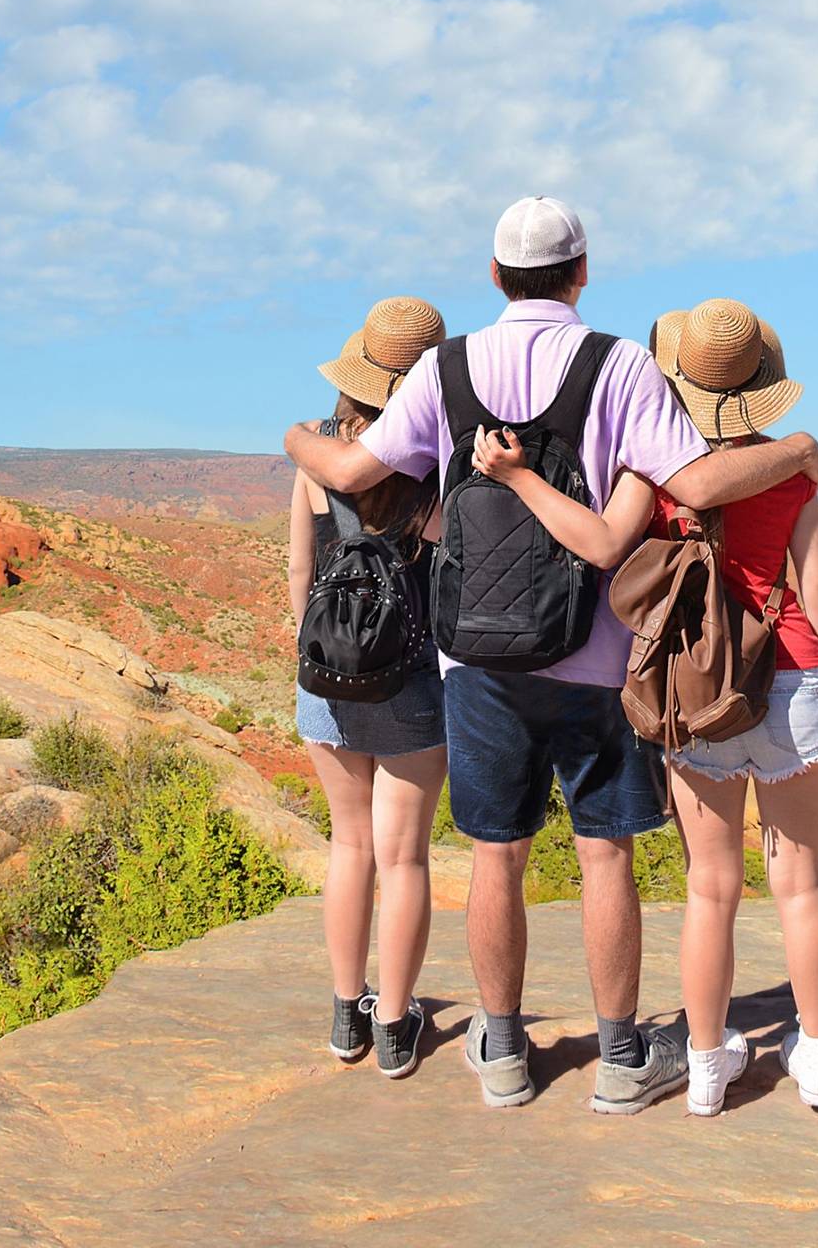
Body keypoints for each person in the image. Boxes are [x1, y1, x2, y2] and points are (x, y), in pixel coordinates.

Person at [285, 198, 818, 1114]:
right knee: (603, 857)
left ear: (494, 276)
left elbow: (345, 474)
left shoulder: (446, 370)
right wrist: (803, 450)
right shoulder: (618, 365)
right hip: (598, 659)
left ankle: (501, 1053)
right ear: (582, 272)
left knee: (497, 858)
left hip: (477, 663)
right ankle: (620, 1058)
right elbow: (693, 483)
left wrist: (295, 438)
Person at [470, 297, 818, 1115]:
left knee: (711, 888)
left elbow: (605, 545)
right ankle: (817, 1064)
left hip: (695, 689)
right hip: (792, 676)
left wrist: (516, 476)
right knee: (802, 884)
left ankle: (706, 1072)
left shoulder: (652, 472)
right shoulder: (791, 469)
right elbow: (814, 588)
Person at [290, 296, 450, 1080]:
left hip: (327, 677)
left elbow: (299, 570)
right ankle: (394, 1026)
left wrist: (319, 656)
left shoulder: (318, 453)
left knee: (348, 846)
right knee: (405, 857)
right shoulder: (435, 458)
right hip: (412, 681)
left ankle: (345, 1014)